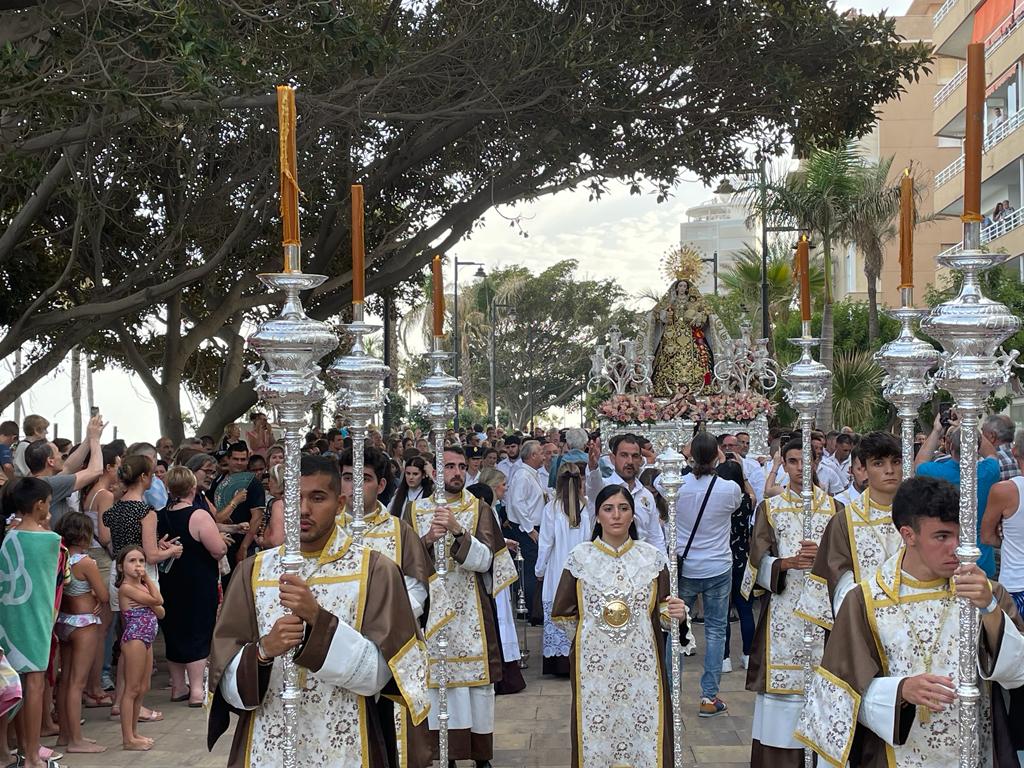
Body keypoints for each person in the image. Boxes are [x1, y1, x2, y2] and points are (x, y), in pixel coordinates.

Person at [207, 455, 429, 766]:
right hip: (267, 745)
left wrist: (319, 622)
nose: (303, 510)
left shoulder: (375, 570)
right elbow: (222, 682)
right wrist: (262, 652)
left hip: (348, 743)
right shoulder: (251, 572)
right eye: (294, 498)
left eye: (317, 498)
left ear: (340, 504)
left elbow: (384, 676)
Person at [796, 475, 1024, 767]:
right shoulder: (864, 601)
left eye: (961, 534)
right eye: (942, 536)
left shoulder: (986, 593)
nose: (956, 547)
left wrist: (990, 609)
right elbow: (835, 699)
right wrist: (899, 691)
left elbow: (1016, 674)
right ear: (908, 534)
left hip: (975, 751)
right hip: (896, 754)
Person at [551, 484, 688, 767]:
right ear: (597, 516)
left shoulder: (651, 559)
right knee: (597, 734)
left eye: (623, 508)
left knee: (645, 735)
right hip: (595, 668)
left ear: (633, 515)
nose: (616, 515)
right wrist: (593, 639)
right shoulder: (580, 558)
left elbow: (663, 615)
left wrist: (677, 613)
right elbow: (563, 614)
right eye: (608, 509)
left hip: (642, 668)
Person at [406, 446, 518, 768]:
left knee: (476, 687)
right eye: (448, 466)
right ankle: (447, 755)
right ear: (432, 472)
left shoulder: (479, 508)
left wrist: (458, 531)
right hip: (431, 614)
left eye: (460, 466)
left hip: (471, 610)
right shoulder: (415, 512)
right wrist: (426, 540)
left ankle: (481, 756)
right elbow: (404, 567)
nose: (455, 472)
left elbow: (489, 563)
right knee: (440, 685)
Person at [338, 447, 444, 768]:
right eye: (346, 478)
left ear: (381, 485)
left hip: (388, 649)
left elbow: (418, 593)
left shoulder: (400, 532)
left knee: (389, 739)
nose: (354, 486)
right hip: (336, 648)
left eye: (364, 479)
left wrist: (377, 626)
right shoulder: (327, 531)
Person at [741, 437, 838, 767]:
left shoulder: (836, 509)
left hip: (825, 614)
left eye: (806, 461)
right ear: (783, 465)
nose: (800, 468)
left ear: (817, 462)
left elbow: (848, 563)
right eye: (793, 461)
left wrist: (823, 560)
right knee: (784, 697)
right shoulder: (771, 508)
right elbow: (755, 565)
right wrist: (784, 563)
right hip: (784, 614)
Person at [103, 454, 181, 724]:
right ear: (145, 478)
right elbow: (150, 554)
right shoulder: (145, 512)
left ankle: (120, 701)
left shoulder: (114, 509)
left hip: (118, 570)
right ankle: (135, 704)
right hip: (140, 574)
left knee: (126, 637)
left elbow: (113, 544)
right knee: (141, 638)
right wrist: (171, 550)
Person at [796, 431, 899, 633]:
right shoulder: (844, 521)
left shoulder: (920, 515)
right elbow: (838, 580)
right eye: (878, 463)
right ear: (864, 469)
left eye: (896, 462)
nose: (889, 470)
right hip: (863, 623)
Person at [673, 432, 742, 716]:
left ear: (690, 456)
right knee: (715, 630)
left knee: (675, 631)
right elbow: (736, 505)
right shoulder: (728, 489)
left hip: (686, 565)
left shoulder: (676, 486)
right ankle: (709, 696)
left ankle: (669, 690)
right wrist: (722, 462)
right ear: (717, 456)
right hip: (717, 565)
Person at [0, 479, 61, 768]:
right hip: (36, 618)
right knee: (34, 685)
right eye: (48, 502)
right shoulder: (49, 540)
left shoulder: (9, 535)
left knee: (17, 685)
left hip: (9, 620)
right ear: (40, 505)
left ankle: (23, 752)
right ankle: (32, 756)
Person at [157, 467, 228, 707]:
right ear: (192, 488)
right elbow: (217, 549)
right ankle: (197, 690)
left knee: (174, 630)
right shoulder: (198, 515)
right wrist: (225, 545)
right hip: (197, 582)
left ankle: (178, 686)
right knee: (198, 631)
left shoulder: (159, 515)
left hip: (169, 581)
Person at [53, 512, 109, 754]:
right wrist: (96, 595)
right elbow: (104, 595)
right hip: (84, 623)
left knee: (65, 682)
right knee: (78, 683)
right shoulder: (86, 563)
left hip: (64, 620)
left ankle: (65, 736)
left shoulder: (60, 558)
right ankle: (76, 739)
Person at [917, 423, 1000, 577]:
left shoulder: (934, 471)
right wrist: (969, 422)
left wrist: (936, 430)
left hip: (946, 560)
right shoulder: (989, 471)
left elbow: (919, 462)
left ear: (949, 446)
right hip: (982, 561)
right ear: (977, 447)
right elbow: (991, 453)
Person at [467, 478, 526, 695]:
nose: (505, 488)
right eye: (501, 485)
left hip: (494, 574)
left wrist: (504, 541)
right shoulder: (481, 512)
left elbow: (493, 539)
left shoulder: (486, 512)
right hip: (487, 576)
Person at [535, 461, 593, 676]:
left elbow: (546, 543)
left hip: (557, 569)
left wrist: (539, 571)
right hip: (581, 568)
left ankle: (559, 664)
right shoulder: (586, 507)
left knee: (558, 611)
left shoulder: (552, 508)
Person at [116, 545, 164, 751]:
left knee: (143, 688)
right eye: (132, 561)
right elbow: (159, 600)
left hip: (147, 638)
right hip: (134, 638)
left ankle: (134, 733)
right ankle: (128, 739)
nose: (138, 566)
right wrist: (150, 584)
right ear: (120, 567)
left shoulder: (143, 587)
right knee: (132, 688)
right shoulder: (126, 588)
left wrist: (149, 596)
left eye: (141, 561)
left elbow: (161, 612)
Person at [586, 433, 666, 552]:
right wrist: (593, 467)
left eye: (634, 456)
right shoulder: (603, 488)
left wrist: (663, 566)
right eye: (624, 455)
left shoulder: (646, 495)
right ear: (613, 459)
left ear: (640, 460)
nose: (629, 461)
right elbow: (593, 485)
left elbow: (655, 537)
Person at [24, 414, 105, 525]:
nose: (62, 456)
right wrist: (95, 439)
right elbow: (95, 470)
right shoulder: (51, 484)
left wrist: (89, 438)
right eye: (58, 453)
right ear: (50, 461)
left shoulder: (37, 481)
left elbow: (68, 467)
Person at [717, 457, 756, 672]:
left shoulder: (718, 501)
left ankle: (724, 658)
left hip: (722, 557)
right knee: (745, 609)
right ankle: (748, 654)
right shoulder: (745, 502)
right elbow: (753, 495)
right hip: (742, 559)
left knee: (723, 610)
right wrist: (744, 476)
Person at [981, 426, 1024, 613]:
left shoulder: (1005, 491)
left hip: (1016, 584)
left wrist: (1008, 541)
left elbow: (987, 537)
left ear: (1014, 451)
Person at [506, 439, 548, 623]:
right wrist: (529, 529)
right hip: (526, 528)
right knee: (531, 569)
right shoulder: (523, 475)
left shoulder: (532, 474)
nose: (544, 456)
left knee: (533, 567)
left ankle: (533, 608)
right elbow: (517, 503)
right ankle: (532, 611)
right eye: (541, 452)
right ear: (532, 456)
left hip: (531, 525)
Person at [650, 277, 715, 395]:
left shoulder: (693, 302)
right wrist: (667, 314)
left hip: (690, 333)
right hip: (673, 334)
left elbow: (705, 314)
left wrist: (697, 317)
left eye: (685, 286)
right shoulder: (671, 301)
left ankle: (698, 385)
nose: (682, 288)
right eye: (680, 286)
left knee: (699, 354)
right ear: (676, 288)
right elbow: (659, 315)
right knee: (669, 354)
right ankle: (666, 385)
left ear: (687, 289)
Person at [215, 442, 266, 578]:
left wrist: (244, 546)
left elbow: (257, 517)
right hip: (219, 540)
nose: (239, 463)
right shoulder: (217, 481)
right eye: (235, 459)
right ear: (228, 459)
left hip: (245, 541)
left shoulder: (253, 484)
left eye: (243, 459)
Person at [982, 413, 1019, 480]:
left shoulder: (987, 462)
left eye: (983, 431)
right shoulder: (1020, 455)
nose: (981, 437)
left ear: (992, 436)